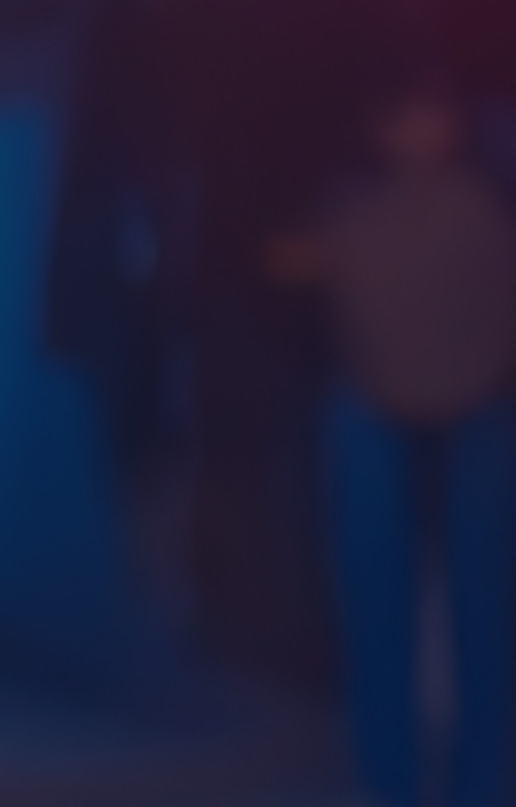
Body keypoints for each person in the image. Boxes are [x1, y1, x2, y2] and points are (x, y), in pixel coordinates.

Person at [266, 75, 516, 807]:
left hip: (481, 410)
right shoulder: (352, 203)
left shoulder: (488, 200)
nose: (421, 129)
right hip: (375, 406)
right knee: (378, 593)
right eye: (404, 114)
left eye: (434, 113)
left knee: (484, 600)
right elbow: (290, 263)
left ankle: (479, 778)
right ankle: (390, 777)